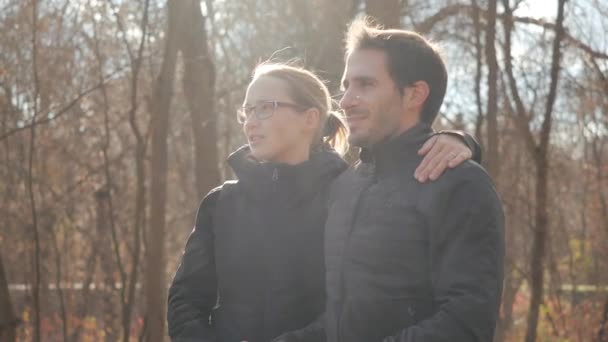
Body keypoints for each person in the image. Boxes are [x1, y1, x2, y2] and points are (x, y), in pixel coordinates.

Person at [167, 62, 480, 342]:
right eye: (247, 110)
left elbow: (365, 304)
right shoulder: (221, 203)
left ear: (310, 119)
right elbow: (186, 299)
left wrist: (460, 140)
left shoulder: (352, 196)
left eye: (265, 107)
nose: (250, 122)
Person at [293, 19, 504, 342]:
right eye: (346, 85)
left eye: (365, 84)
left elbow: (466, 324)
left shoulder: (460, 183)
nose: (346, 100)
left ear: (414, 94)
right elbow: (341, 321)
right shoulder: (345, 187)